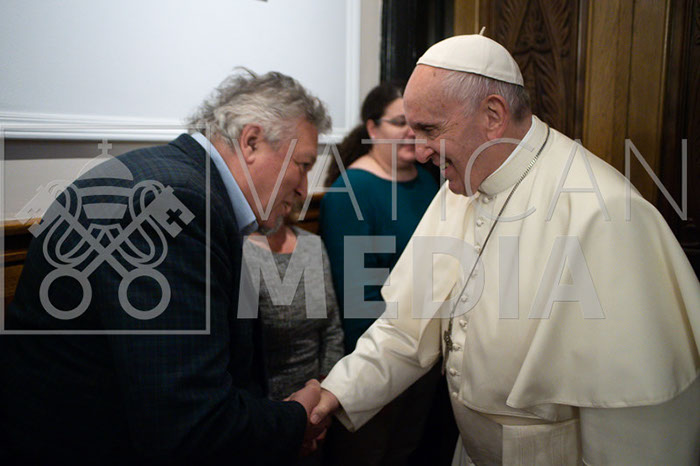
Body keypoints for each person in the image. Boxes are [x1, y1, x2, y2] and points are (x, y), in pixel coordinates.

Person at [310, 34, 700, 465]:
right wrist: (334, 394)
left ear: (493, 115)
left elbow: (634, 422)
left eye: (430, 130)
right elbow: (406, 329)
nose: (419, 151)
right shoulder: (460, 185)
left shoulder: (604, 213)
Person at [1, 70, 332, 464]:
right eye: (303, 165)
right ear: (251, 141)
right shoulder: (177, 202)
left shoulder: (177, 183)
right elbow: (192, 427)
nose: (304, 189)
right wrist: (295, 421)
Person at [319, 83, 449, 465]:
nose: (411, 132)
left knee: (405, 452)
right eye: (399, 122)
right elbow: (358, 296)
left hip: (424, 349)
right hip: (378, 354)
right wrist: (383, 364)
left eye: (419, 124)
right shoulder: (353, 190)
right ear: (373, 129)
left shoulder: (427, 180)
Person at [243, 212, 344, 462]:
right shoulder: (241, 251)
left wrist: (321, 408)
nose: (300, 192)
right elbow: (243, 357)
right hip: (265, 417)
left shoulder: (311, 244)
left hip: (317, 405)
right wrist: (283, 425)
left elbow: (331, 330)